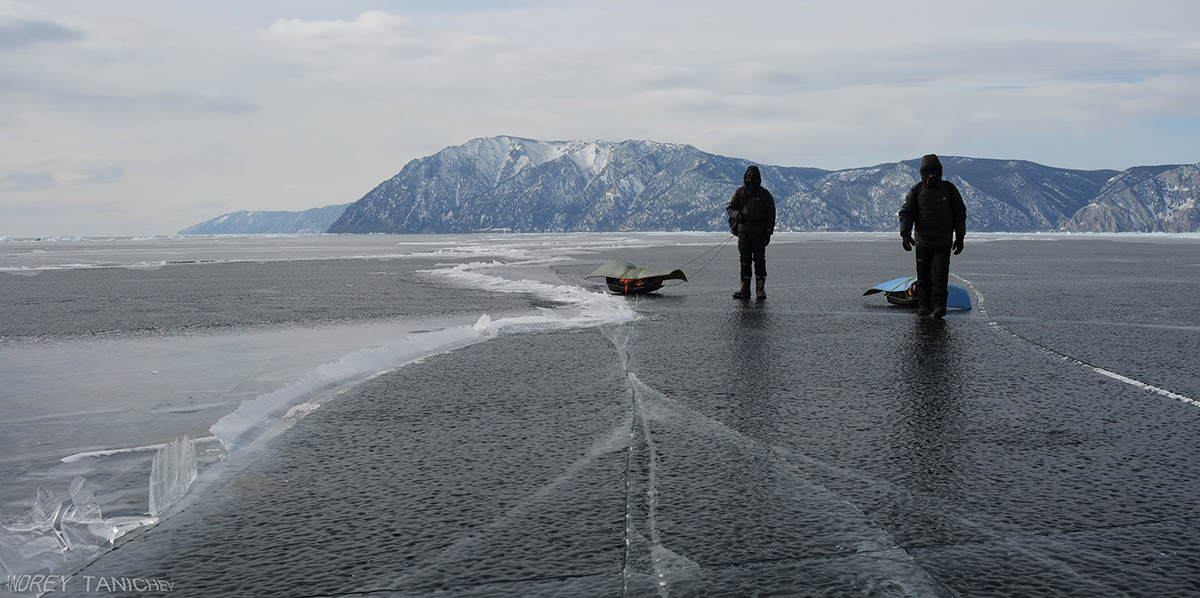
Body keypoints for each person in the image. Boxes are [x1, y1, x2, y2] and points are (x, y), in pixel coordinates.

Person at [898, 154, 966, 319]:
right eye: (928, 172)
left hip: (943, 242)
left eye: (934, 172)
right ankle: (924, 306)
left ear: (939, 172)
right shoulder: (917, 190)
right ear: (923, 172)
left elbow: (959, 213)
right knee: (923, 276)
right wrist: (905, 234)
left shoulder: (949, 189)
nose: (931, 175)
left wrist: (960, 237)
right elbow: (906, 213)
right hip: (923, 242)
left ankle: (939, 307)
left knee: (940, 275)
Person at [727, 164, 776, 299]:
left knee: (759, 261)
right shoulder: (739, 193)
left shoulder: (765, 195)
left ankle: (760, 289)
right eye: (748, 176)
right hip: (743, 232)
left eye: (753, 176)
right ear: (745, 177)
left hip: (759, 233)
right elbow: (730, 209)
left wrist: (768, 232)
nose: (751, 179)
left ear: (758, 178)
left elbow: (771, 214)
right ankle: (745, 288)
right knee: (745, 260)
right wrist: (738, 215)